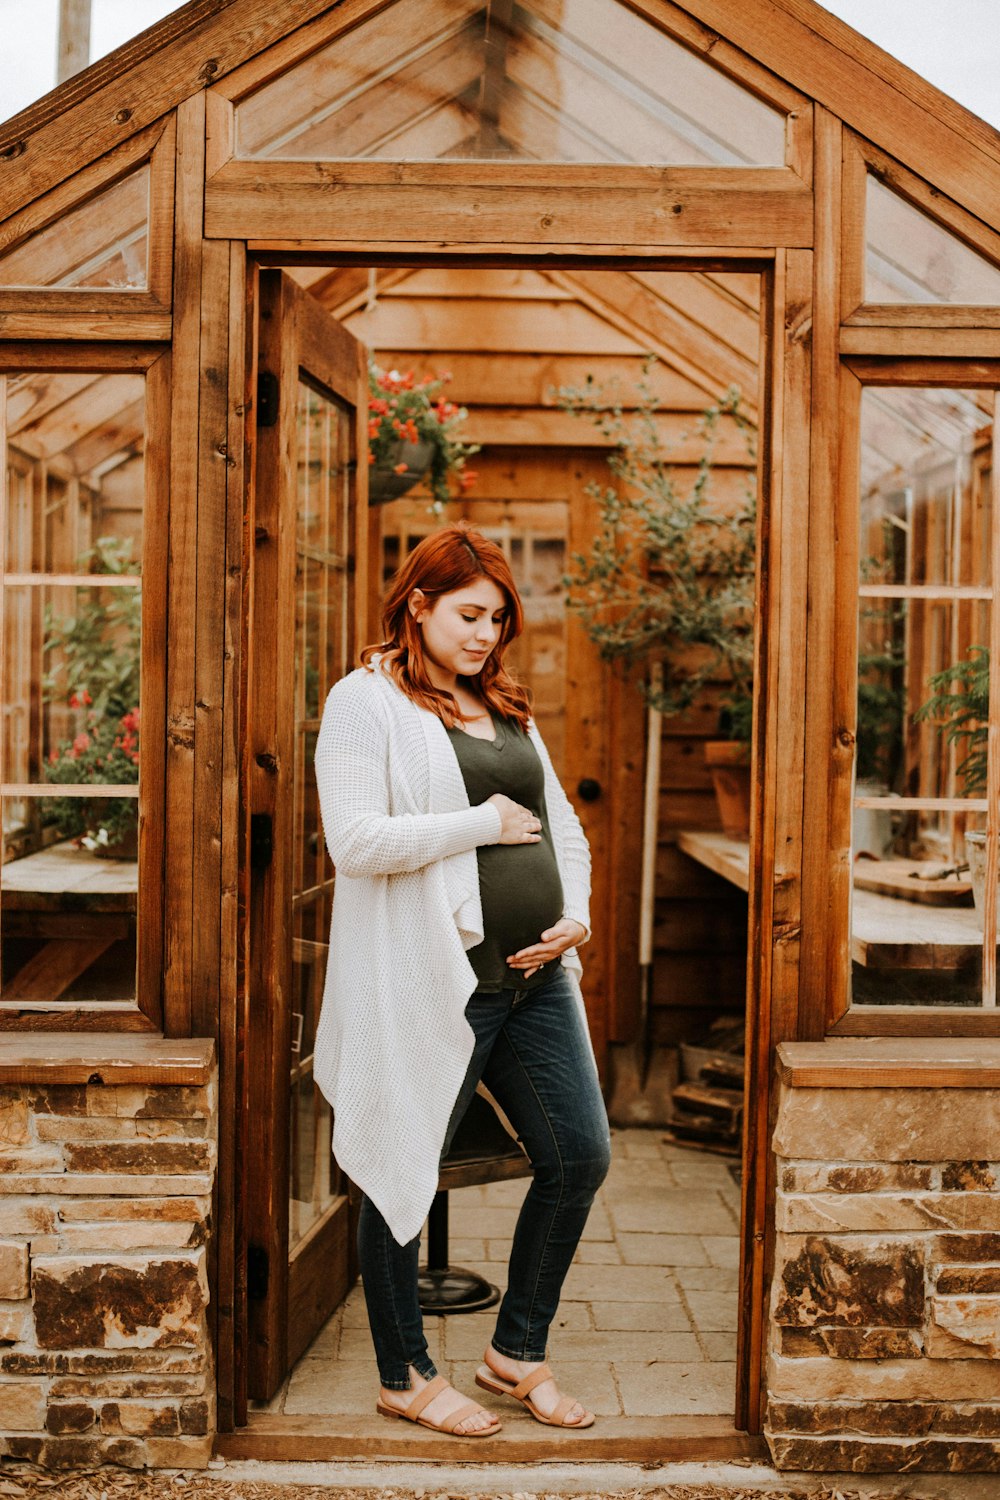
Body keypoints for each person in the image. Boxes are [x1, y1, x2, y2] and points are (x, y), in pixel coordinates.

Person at [313, 522, 611, 1438]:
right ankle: (404, 1374)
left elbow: (559, 822)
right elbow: (354, 842)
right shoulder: (365, 703)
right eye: (470, 615)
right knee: (404, 1171)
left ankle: (515, 1352)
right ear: (419, 604)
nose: (486, 635)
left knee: (579, 1156)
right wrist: (477, 824)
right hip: (436, 979)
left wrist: (578, 915)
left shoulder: (505, 704)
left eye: (498, 620)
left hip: (535, 978)